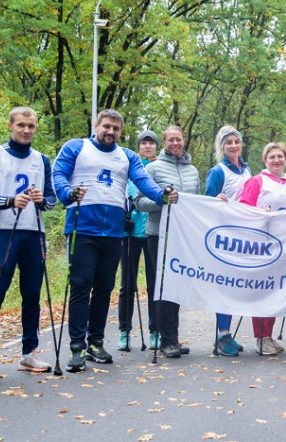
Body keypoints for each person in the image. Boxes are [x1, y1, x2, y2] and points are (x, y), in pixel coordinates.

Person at [52, 109, 176, 373]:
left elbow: (143, 182)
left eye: (116, 129)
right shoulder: (76, 147)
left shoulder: (127, 156)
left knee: (104, 289)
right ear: (96, 125)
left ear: (121, 132)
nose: (110, 132)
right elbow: (59, 176)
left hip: (113, 233)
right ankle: (77, 347)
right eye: (106, 126)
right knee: (80, 286)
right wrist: (67, 192)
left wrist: (162, 195)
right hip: (82, 229)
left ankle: (95, 341)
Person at [0, 106, 56, 379]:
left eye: (31, 126)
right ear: (10, 125)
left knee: (32, 295)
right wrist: (9, 201)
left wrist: (43, 201)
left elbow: (53, 200)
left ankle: (29, 353)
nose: (26, 130)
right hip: (3, 232)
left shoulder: (42, 159)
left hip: (34, 233)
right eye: (21, 125)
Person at [135, 126, 198, 359]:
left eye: (178, 139)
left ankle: (173, 338)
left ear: (183, 141)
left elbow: (196, 204)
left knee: (178, 287)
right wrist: (162, 201)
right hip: (158, 235)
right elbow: (139, 202)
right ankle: (166, 340)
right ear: (164, 142)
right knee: (163, 286)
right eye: (170, 139)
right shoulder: (152, 168)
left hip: (182, 237)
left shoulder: (192, 170)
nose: (175, 143)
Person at [239, 142, 286, 355]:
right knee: (261, 290)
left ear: (285, 158)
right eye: (272, 157)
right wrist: (258, 212)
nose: (276, 160)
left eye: (280, 156)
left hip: (285, 245)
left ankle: (269, 334)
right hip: (261, 245)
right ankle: (261, 337)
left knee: (275, 290)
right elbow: (243, 208)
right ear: (265, 160)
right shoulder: (257, 181)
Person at [205, 125, 251, 356]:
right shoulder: (218, 171)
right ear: (221, 146)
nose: (233, 145)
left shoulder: (247, 170)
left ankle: (227, 333)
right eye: (228, 142)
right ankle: (221, 336)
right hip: (224, 236)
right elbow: (205, 202)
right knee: (225, 286)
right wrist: (216, 199)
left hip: (244, 235)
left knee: (235, 287)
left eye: (236, 141)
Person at [117, 130, 159, 352]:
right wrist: (121, 217)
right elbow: (120, 194)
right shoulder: (128, 166)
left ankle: (155, 331)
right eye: (144, 143)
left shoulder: (158, 167)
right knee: (127, 284)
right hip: (130, 232)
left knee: (154, 284)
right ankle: (124, 331)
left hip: (151, 232)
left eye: (151, 143)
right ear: (139, 146)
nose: (147, 146)